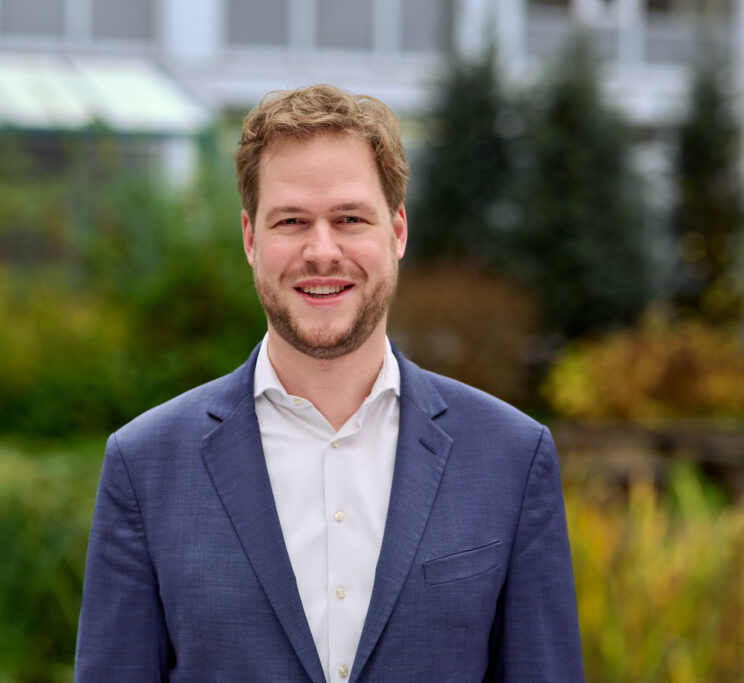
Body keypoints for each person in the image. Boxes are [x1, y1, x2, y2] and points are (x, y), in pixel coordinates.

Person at [75, 84, 583, 682]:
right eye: (292, 221)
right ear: (250, 238)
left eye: (349, 219)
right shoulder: (145, 466)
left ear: (397, 232)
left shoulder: (510, 459)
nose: (322, 251)